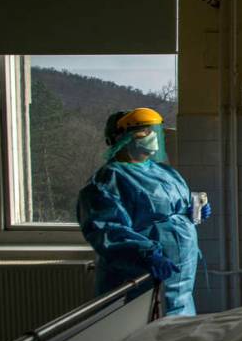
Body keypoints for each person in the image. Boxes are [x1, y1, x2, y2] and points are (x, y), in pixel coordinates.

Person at [77, 107, 211, 316]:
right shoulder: (107, 182)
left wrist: (192, 210)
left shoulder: (162, 171)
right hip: (140, 275)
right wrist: (145, 253)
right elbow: (107, 230)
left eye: (153, 131)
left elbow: (167, 206)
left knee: (176, 321)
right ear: (122, 138)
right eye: (144, 132)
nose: (153, 137)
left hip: (180, 278)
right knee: (144, 328)